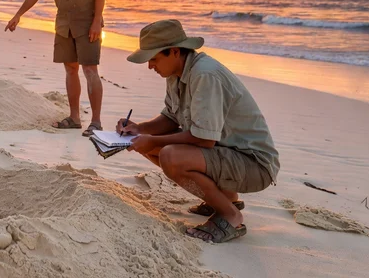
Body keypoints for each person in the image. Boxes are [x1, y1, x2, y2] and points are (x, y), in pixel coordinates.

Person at [118, 19, 280, 243]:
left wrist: (152, 140)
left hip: (255, 165)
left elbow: (204, 140)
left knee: (169, 154)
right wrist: (138, 129)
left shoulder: (205, 75)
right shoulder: (176, 72)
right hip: (228, 154)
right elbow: (171, 118)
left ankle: (231, 216)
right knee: (143, 142)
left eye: (153, 58)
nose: (149, 66)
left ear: (174, 52)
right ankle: (226, 198)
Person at [6, 0, 107, 136]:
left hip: (88, 22)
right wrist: (18, 14)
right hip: (63, 24)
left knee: (90, 69)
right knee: (71, 69)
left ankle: (96, 122)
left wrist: (97, 20)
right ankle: (74, 118)